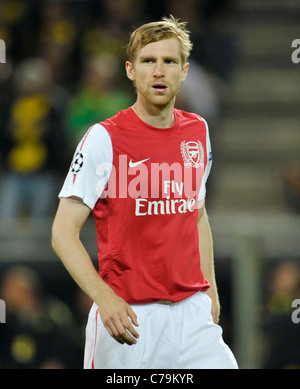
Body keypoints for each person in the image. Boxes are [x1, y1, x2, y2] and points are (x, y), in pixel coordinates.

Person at [52, 15, 238, 369]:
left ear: (183, 72)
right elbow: (63, 232)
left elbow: (196, 213)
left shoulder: (197, 131)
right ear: (130, 70)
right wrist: (103, 299)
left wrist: (210, 289)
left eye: (169, 61)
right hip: (129, 319)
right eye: (148, 61)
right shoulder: (103, 139)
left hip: (193, 316)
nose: (158, 70)